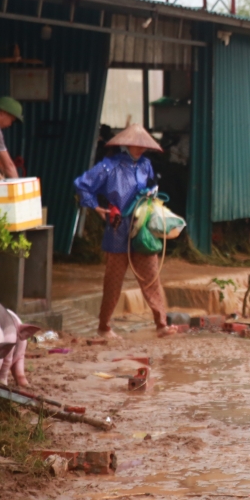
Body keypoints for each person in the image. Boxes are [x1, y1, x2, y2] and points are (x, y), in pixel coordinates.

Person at [73, 123, 174, 339]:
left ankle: (162, 324)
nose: (140, 149)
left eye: (143, 145)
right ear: (126, 144)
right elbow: (82, 185)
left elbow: (151, 186)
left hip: (143, 227)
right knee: (113, 280)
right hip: (117, 228)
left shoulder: (146, 164)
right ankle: (104, 327)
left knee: (151, 276)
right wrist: (96, 207)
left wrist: (151, 193)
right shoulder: (109, 166)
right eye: (136, 145)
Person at [0, 96, 23, 179]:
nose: (10, 124)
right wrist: (18, 187)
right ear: (2, 113)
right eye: (11, 120)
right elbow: (8, 165)